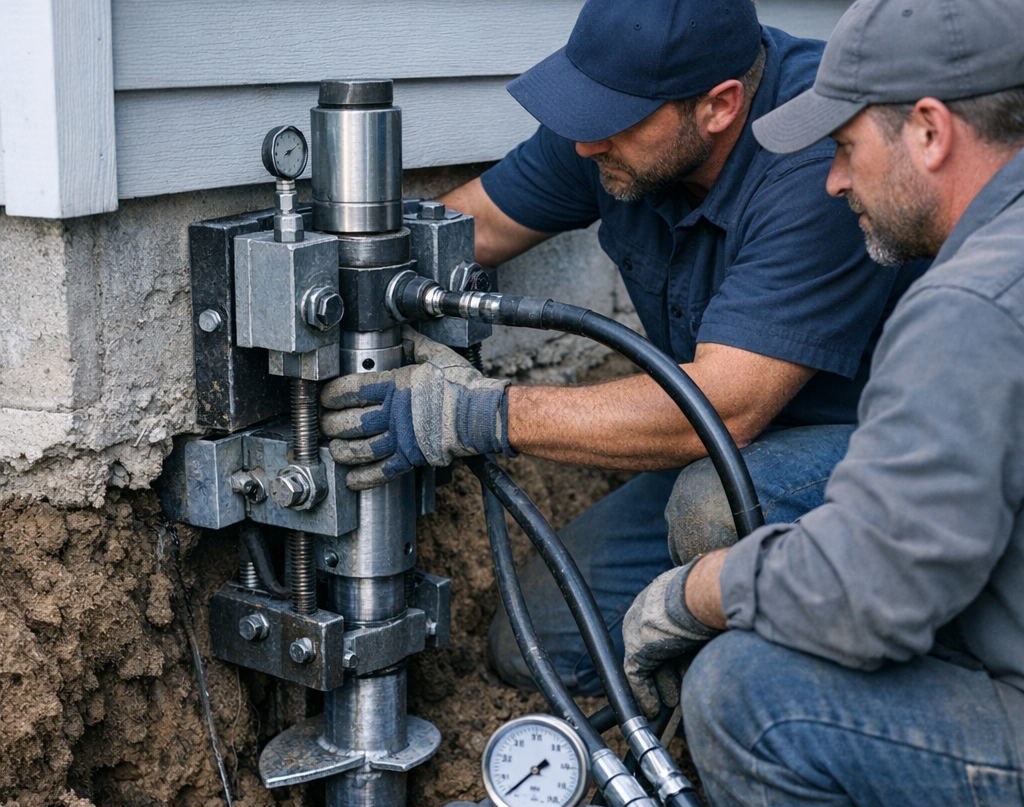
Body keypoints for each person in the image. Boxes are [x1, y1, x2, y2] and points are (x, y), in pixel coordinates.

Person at [320, 0, 925, 695]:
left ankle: (761, 710)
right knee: (536, 650)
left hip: (885, 452)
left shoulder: (817, 161)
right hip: (738, 438)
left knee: (712, 507)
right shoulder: (615, 126)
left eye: (610, 120)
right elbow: (469, 230)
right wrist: (345, 293)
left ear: (720, 106)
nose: (583, 143)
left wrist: (471, 417)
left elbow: (724, 411)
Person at [621, 0, 1024, 807]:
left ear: (928, 131)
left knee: (746, 695)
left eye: (845, 147)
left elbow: (872, 595)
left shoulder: (968, 306)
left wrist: (705, 589)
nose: (834, 179)